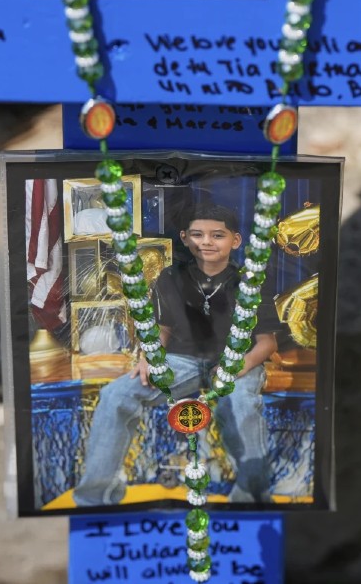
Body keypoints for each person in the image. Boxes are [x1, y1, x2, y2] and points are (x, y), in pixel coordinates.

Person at [73, 204, 279, 506]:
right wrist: (149, 356)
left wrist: (238, 366)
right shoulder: (171, 277)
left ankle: (252, 496)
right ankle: (95, 496)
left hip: (239, 361)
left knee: (240, 403)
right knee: (116, 395)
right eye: (197, 234)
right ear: (184, 238)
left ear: (235, 240)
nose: (206, 242)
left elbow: (267, 343)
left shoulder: (251, 281)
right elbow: (163, 329)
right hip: (183, 361)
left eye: (217, 235)